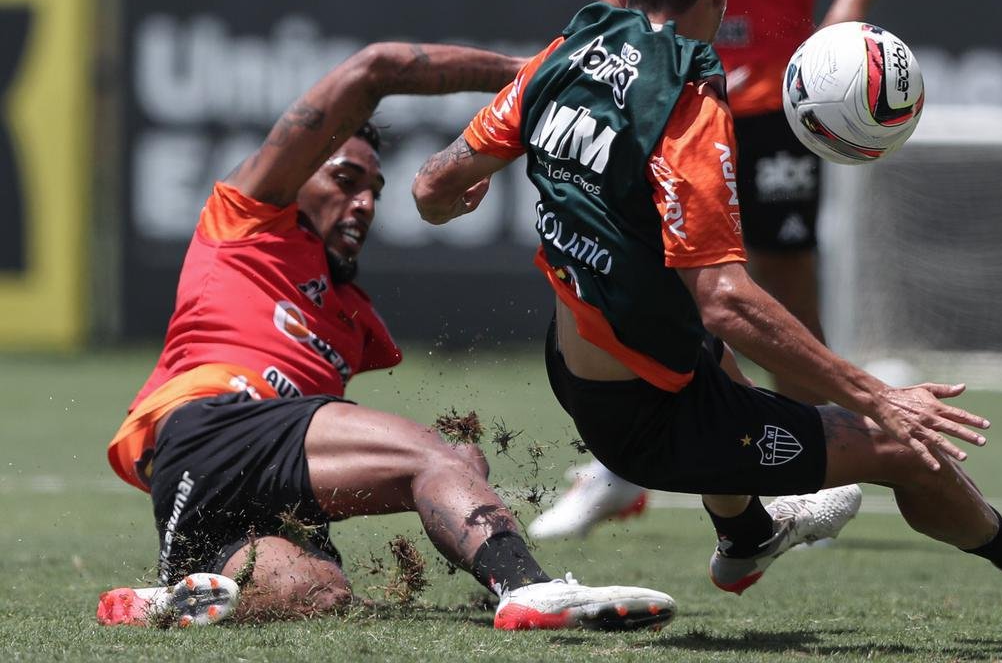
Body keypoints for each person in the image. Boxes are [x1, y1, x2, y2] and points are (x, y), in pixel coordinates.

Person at [412, 0, 1002, 597]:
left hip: (577, 368)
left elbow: (432, 188)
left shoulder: (558, 58)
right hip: (654, 422)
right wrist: (876, 397)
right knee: (900, 449)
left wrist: (456, 194)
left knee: (674, 294)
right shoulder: (687, 111)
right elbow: (727, 302)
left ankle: (744, 538)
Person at [97, 41, 676, 631]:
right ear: (295, 179)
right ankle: (528, 587)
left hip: (205, 491)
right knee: (434, 456)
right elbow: (376, 67)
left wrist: (459, 470)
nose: (365, 203)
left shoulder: (351, 314)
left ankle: (165, 604)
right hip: (210, 427)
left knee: (321, 592)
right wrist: (530, 77)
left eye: (374, 188)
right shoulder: (246, 220)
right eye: (346, 180)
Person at [528, 0, 899, 539]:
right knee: (632, 272)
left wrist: (837, 32)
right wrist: (613, 41)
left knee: (781, 282)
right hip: (659, 91)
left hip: (768, 95)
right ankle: (619, 467)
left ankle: (810, 475)